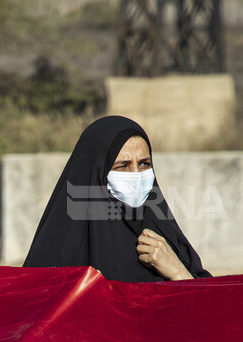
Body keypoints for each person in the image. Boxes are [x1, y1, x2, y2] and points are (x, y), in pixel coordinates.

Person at [23, 116, 210, 282]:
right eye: (122, 166)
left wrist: (179, 273)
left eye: (144, 164)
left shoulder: (164, 235)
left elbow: (210, 309)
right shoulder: (63, 249)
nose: (136, 174)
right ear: (97, 172)